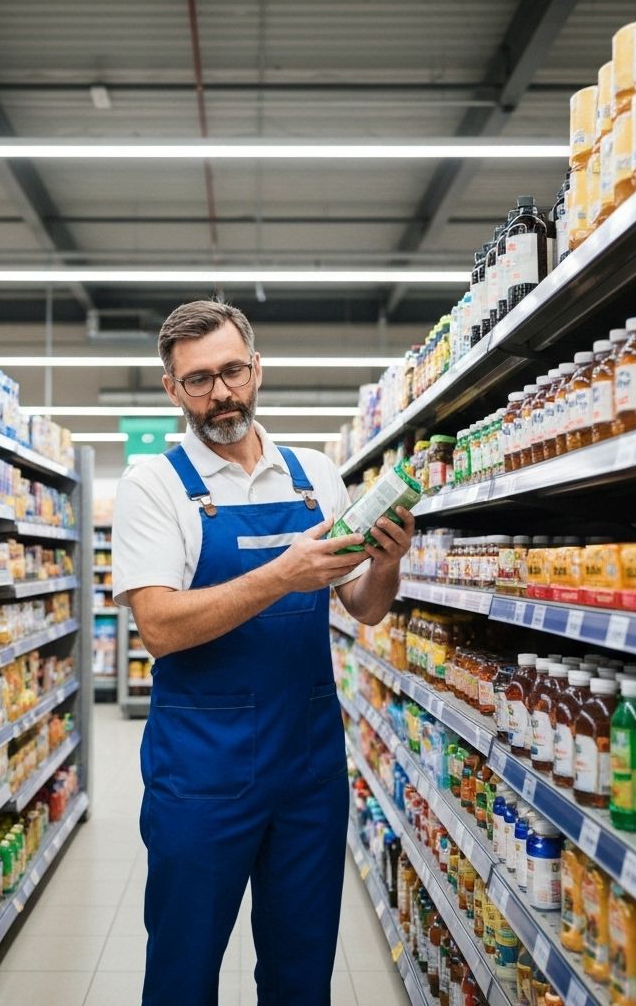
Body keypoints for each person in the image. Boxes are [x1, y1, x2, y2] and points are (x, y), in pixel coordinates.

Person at [112, 300, 415, 1005]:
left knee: (302, 967)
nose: (221, 393)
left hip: (310, 763)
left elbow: (364, 607)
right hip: (202, 769)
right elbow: (157, 626)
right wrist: (284, 572)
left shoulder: (315, 477)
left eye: (232, 371)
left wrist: (390, 564)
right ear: (172, 390)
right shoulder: (152, 486)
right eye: (198, 380)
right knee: (184, 969)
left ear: (257, 368)